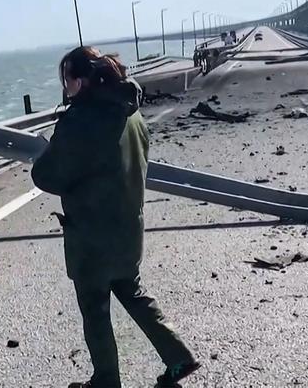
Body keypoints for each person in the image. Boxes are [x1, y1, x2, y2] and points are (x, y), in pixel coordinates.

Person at [31, 46, 199, 388]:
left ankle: (106, 381)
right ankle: (179, 357)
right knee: (133, 292)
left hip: (92, 236)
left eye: (67, 81)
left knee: (95, 308)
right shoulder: (131, 114)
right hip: (128, 228)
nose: (65, 89)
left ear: (80, 81)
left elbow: (46, 176)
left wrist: (46, 151)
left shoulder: (80, 120)